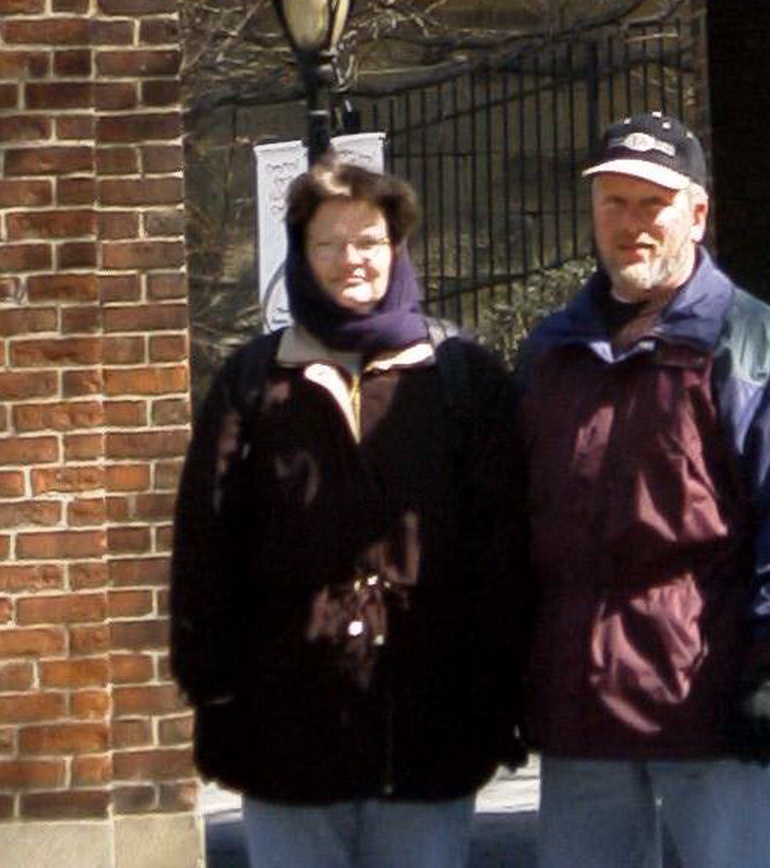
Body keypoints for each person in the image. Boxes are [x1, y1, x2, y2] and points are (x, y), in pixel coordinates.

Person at [517, 111, 770, 868]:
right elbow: (511, 520)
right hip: (580, 709)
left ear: (696, 214)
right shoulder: (551, 356)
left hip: (708, 700)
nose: (631, 224)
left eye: (653, 203)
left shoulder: (751, 342)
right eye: (614, 202)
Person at [169, 155, 527, 868]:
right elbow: (207, 539)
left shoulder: (463, 379)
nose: (349, 260)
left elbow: (505, 545)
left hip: (428, 719)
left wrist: (501, 687)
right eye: (328, 243)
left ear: (396, 249)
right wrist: (212, 684)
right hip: (288, 717)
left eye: (367, 241)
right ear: (301, 255)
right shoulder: (254, 382)